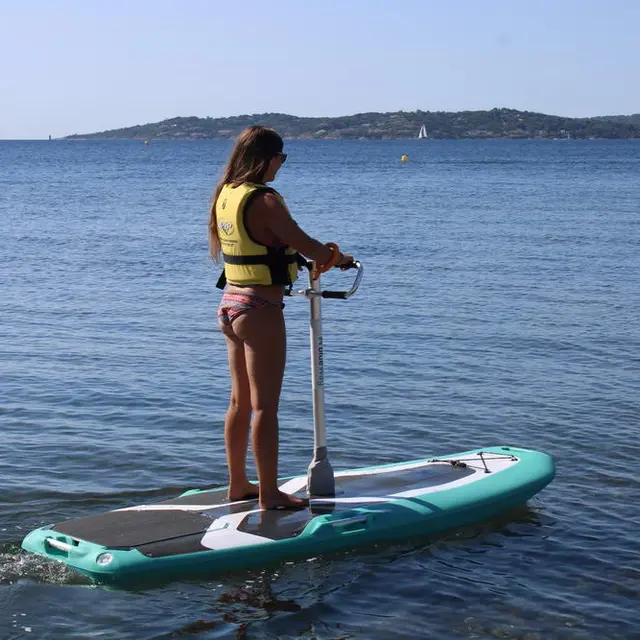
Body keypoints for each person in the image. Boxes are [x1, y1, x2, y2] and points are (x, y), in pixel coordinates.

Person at [209, 126, 353, 510]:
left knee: (240, 402)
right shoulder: (265, 200)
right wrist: (339, 258)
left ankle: (238, 484)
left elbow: (272, 245)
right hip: (259, 310)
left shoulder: (227, 193)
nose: (281, 166)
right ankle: (269, 494)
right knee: (265, 406)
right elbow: (309, 246)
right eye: (281, 158)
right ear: (266, 158)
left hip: (230, 305)